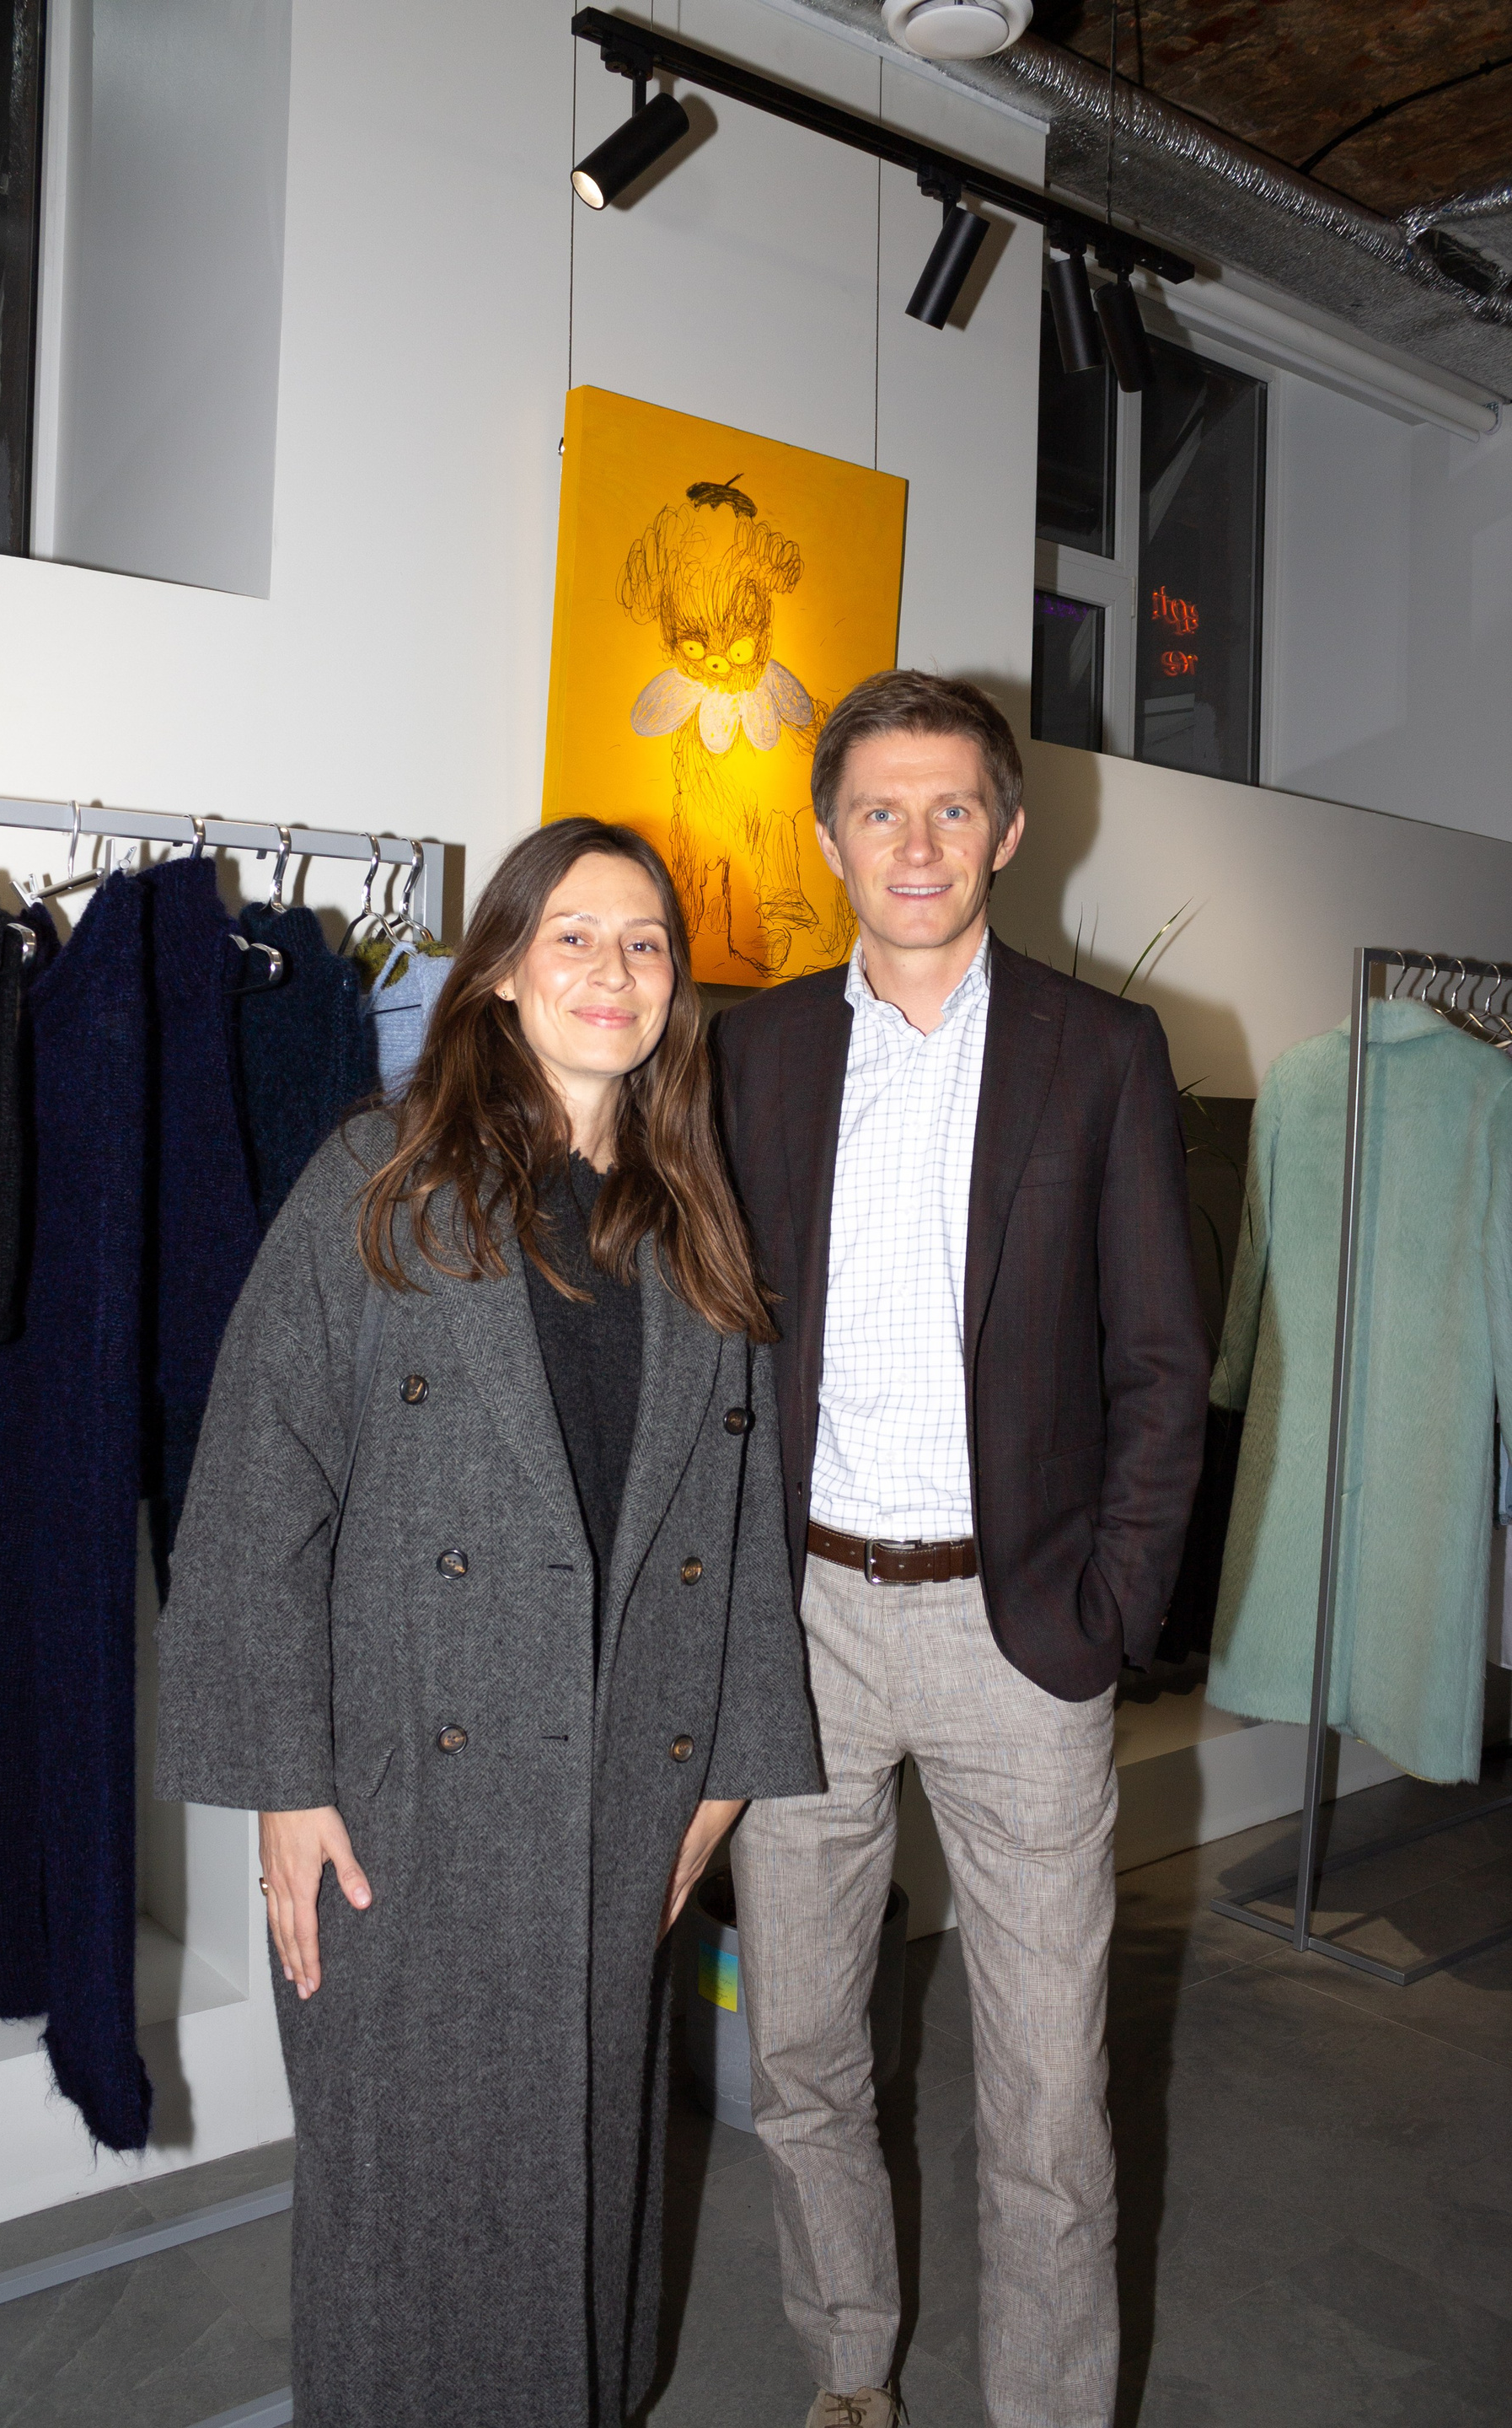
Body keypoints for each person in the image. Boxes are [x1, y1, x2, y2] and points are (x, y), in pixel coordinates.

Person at [154, 819, 818, 2428]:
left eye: (645, 942)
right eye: (572, 935)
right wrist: (285, 1787)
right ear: (505, 970)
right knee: (408, 2199)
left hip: (622, 1793)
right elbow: (256, 1492)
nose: (613, 970)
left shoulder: (693, 1219)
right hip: (404, 1803)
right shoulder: (378, 1182)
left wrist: (724, 1776)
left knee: (585, 2178)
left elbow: (735, 1526)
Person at [713, 670, 1209, 2428]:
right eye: (879, 809)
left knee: (1050, 2100)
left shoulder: (1104, 1052)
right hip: (807, 1626)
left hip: (1025, 1631)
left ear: (1006, 831)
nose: (914, 843)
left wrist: (1108, 1612)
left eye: (949, 808)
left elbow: (1162, 1365)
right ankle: (850, 2373)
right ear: (829, 836)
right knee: (800, 2055)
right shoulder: (753, 1051)